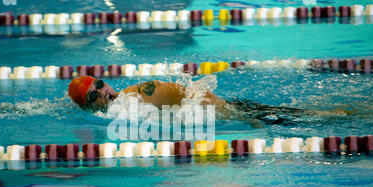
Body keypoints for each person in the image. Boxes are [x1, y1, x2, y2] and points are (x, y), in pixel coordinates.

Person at [68, 75, 318, 127]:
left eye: (99, 84)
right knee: (303, 116)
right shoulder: (124, 102)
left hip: (224, 110)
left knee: (311, 119)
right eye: (93, 95)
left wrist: (240, 118)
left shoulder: (129, 101)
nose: (102, 91)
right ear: (89, 105)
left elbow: (185, 93)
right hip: (224, 106)